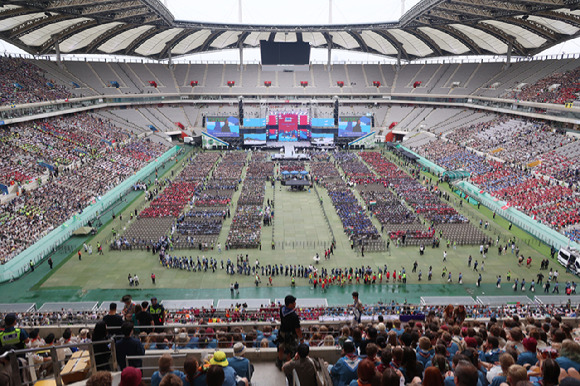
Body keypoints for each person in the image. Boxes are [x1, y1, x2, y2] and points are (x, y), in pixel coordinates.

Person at [277, 295, 303, 370]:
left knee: (281, 347)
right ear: (290, 304)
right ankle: (289, 367)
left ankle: (279, 361)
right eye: (293, 302)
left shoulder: (282, 309)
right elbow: (297, 330)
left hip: (282, 332)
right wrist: (301, 338)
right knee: (290, 351)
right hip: (290, 335)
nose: (295, 304)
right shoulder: (294, 316)